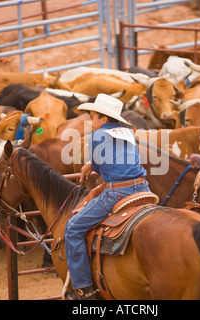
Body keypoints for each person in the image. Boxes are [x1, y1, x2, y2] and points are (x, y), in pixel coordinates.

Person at [64, 93, 150, 300]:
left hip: (117, 193)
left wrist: (92, 165)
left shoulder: (95, 138)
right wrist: (91, 164)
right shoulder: (129, 132)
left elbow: (104, 170)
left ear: (103, 119)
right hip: (143, 188)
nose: (90, 122)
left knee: (73, 229)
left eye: (92, 117)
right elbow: (117, 160)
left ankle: (84, 289)